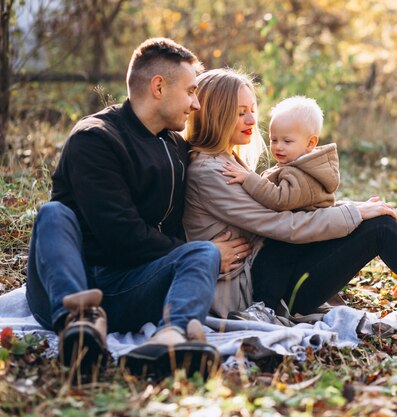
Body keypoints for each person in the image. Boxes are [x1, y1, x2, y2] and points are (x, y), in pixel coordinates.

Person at [182, 68, 397, 339]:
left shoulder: (228, 162)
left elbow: (283, 213)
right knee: (379, 228)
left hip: (272, 270)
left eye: (251, 110)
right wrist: (353, 213)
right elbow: (282, 226)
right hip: (256, 293)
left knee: (377, 223)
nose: (251, 120)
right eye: (240, 111)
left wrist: (353, 209)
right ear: (216, 113)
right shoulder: (211, 171)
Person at [25, 38, 251, 380]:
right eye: (191, 91)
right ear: (158, 87)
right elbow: (121, 236)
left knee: (203, 253)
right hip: (71, 283)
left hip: (130, 289)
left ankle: (170, 338)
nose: (196, 104)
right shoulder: (95, 138)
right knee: (53, 214)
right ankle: (80, 325)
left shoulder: (175, 146)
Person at [222, 95, 339, 211]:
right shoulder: (293, 166)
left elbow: (280, 200)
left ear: (310, 143)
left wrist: (249, 179)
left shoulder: (305, 175)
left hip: (305, 228)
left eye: (287, 141)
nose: (278, 147)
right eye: (273, 140)